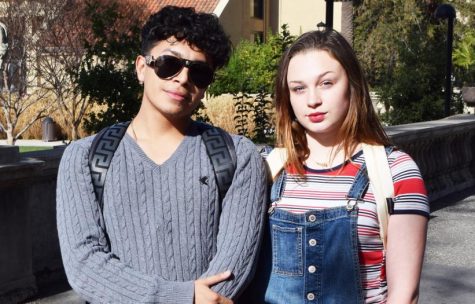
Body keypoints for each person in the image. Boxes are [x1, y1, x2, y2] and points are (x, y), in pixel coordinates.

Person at [56, 6, 267, 304]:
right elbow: (84, 266)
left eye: (200, 72)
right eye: (169, 64)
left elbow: (232, 271)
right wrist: (182, 297)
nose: (182, 79)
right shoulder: (84, 158)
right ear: (142, 67)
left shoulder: (236, 157)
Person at [246, 29, 429, 303]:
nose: (312, 100)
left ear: (352, 84)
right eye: (298, 88)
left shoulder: (396, 171)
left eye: (327, 83)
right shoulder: (267, 170)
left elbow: (405, 295)